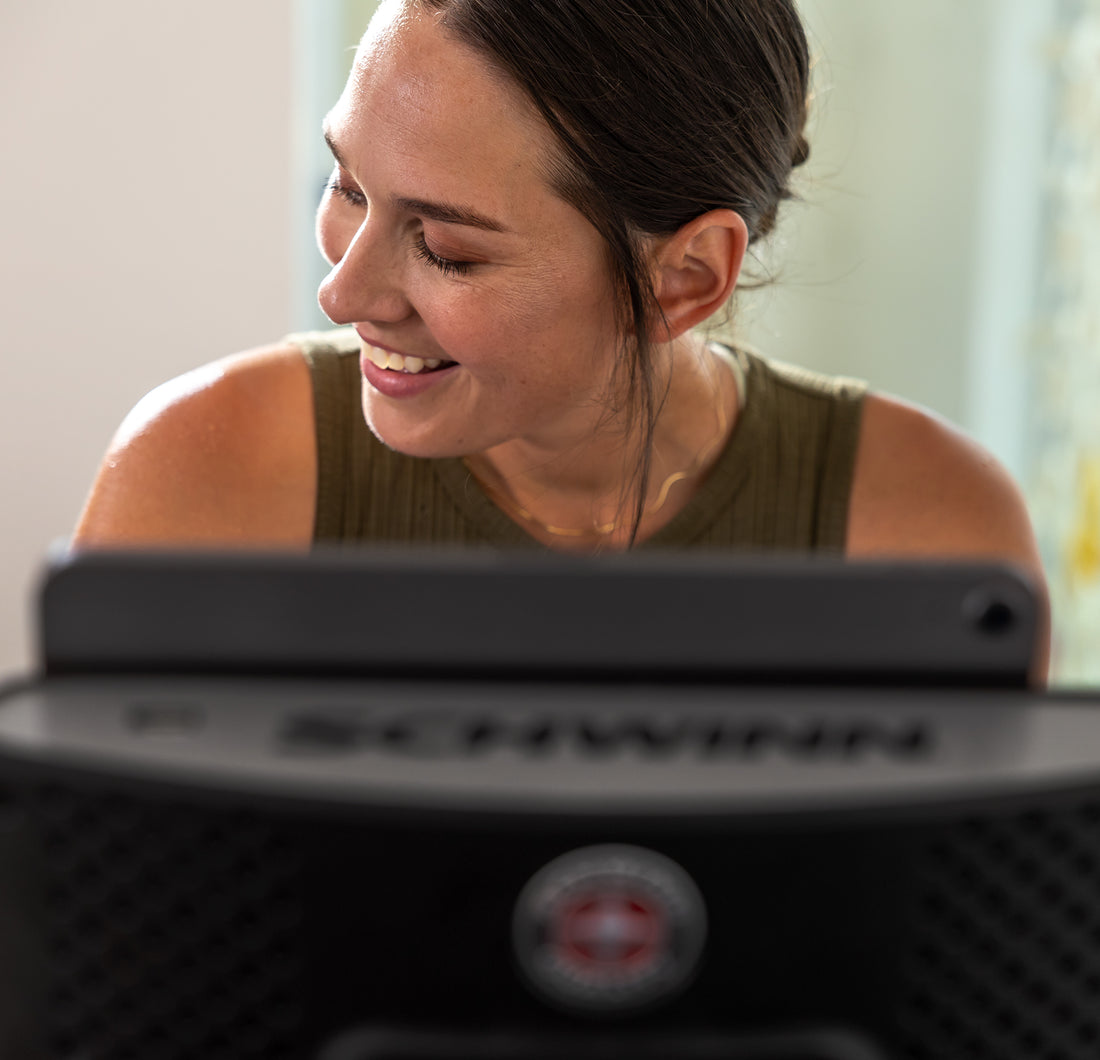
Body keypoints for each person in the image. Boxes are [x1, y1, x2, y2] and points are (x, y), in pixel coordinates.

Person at [72, 0, 1049, 674]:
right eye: (348, 187)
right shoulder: (202, 481)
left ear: (685, 277)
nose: (342, 291)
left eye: (447, 249)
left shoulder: (926, 536)